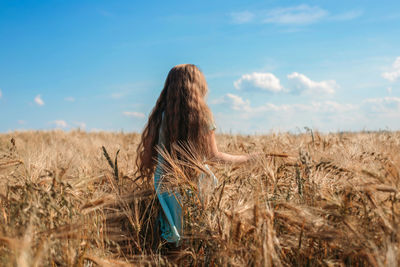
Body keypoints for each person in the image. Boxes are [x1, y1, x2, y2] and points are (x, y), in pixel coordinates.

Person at [135, 64, 257, 247]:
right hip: (195, 182)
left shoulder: (158, 118)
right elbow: (214, 157)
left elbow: (147, 158)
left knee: (173, 240)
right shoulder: (202, 118)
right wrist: (249, 159)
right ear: (198, 86)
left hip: (166, 185)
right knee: (196, 236)